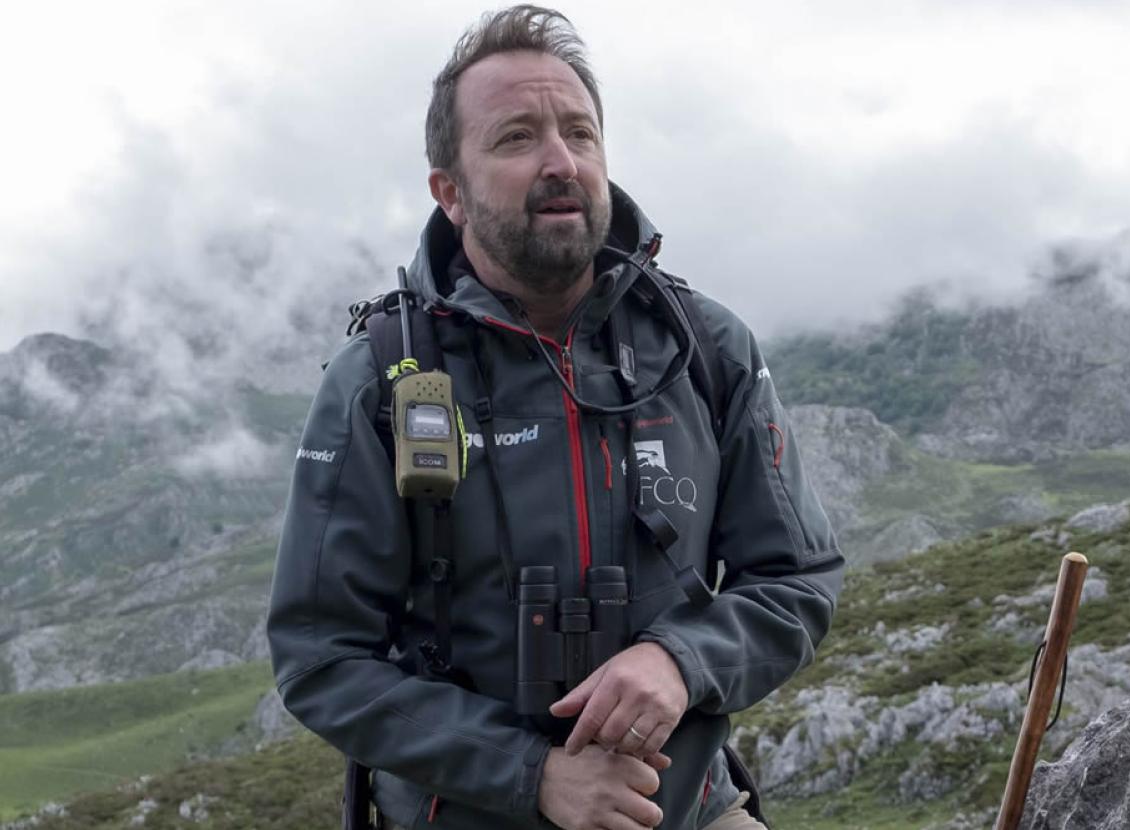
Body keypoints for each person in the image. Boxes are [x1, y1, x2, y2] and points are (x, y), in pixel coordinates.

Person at [267, 6, 844, 829]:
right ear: (450, 192)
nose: (561, 162)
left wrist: (680, 659)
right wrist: (531, 773)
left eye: (580, 133)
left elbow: (796, 579)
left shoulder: (705, 349)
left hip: (683, 810)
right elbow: (319, 658)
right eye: (516, 138)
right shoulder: (381, 383)